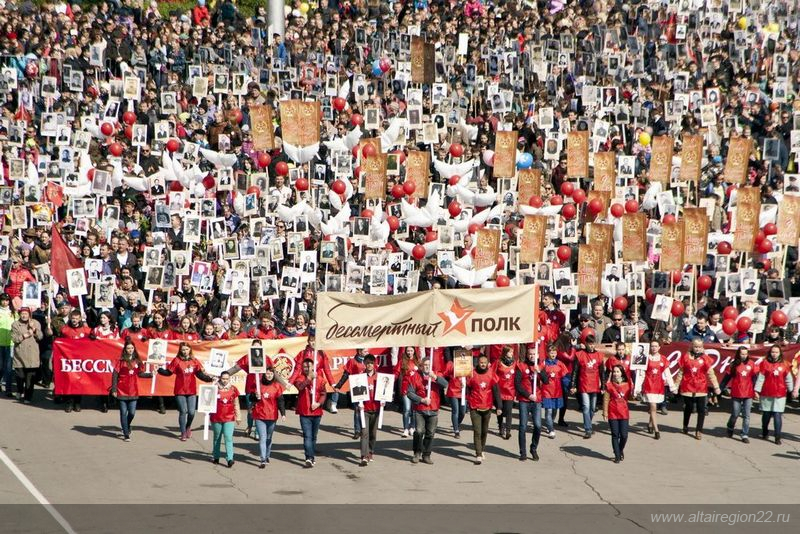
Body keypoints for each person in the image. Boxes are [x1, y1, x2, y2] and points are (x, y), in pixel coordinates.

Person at [157, 342, 214, 441]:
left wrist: (210, 379)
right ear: (180, 350)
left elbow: (200, 374)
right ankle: (183, 432)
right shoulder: (177, 360)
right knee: (183, 411)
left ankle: (188, 427)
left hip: (191, 390)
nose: (185, 351)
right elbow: (168, 373)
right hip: (180, 390)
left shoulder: (194, 361)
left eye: (187, 349)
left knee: (191, 412)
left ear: (190, 350)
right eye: (183, 349)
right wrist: (160, 370)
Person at [403, 356, 448, 465]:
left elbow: (446, 384)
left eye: (429, 365)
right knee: (418, 432)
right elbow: (409, 393)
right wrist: (421, 400)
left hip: (433, 409)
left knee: (430, 433)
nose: (427, 367)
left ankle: (426, 454)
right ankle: (417, 453)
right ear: (421, 366)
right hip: (420, 410)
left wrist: (436, 377)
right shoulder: (415, 377)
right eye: (425, 365)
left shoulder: (435, 375)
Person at [674, 338, 721, 440]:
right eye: (695, 347)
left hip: (701, 388)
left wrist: (716, 386)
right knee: (688, 408)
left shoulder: (705, 358)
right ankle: (685, 425)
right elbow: (681, 372)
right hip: (688, 387)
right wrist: (676, 385)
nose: (697, 349)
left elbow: (711, 374)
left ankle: (698, 430)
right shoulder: (685, 357)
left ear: (702, 347)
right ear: (692, 346)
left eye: (699, 347)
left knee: (701, 410)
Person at [110, 341, 152, 441]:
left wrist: (151, 374)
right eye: (128, 348)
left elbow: (140, 374)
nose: (130, 350)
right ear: (125, 349)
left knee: (132, 413)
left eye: (132, 348)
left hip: (133, 390)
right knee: (123, 412)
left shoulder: (137, 361)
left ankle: (127, 425)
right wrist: (114, 389)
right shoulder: (120, 361)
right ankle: (126, 434)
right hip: (122, 389)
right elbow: (115, 375)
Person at [755, 346, 796, 445]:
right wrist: (757, 390)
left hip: (780, 393)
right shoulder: (765, 363)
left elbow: (788, 378)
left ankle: (777, 436)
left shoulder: (785, 364)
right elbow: (761, 378)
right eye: (773, 352)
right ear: (770, 353)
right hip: (767, 393)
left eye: (776, 352)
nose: (774, 354)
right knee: (766, 415)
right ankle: (765, 431)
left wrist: (791, 390)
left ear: (780, 353)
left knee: (778, 415)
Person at [466, 354, 501, 464]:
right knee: (477, 431)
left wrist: (499, 406)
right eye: (481, 362)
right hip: (474, 406)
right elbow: (468, 389)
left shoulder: (491, 374)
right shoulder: (472, 374)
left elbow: (496, 391)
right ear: (478, 363)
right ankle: (478, 453)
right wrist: (466, 400)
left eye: (484, 363)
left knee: (484, 431)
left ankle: (482, 448)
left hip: (487, 406)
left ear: (487, 364)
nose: (482, 364)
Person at [293, 358, 328, 467]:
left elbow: (324, 394)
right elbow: (300, 387)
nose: (307, 368)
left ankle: (311, 455)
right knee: (307, 436)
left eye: (309, 366)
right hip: (305, 412)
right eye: (305, 367)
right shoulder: (299, 378)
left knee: (314, 436)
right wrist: (308, 379)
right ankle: (308, 457)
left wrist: (318, 403)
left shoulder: (320, 379)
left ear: (313, 367)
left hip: (317, 412)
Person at [719, 346, 757, 444]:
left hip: (748, 393)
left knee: (746, 415)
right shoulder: (733, 365)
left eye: (745, 354)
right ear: (738, 354)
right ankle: (730, 426)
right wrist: (720, 388)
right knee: (735, 413)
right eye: (742, 354)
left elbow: (754, 378)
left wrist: (756, 390)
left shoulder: (751, 364)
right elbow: (726, 378)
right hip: (737, 392)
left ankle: (744, 434)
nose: (744, 356)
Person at [251, 367, 286, 468]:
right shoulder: (258, 385)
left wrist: (283, 413)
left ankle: (267, 455)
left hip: (272, 416)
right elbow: (251, 398)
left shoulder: (276, 386)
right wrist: (255, 396)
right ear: (264, 374)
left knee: (269, 438)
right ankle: (262, 459)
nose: (269, 375)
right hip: (259, 415)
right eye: (267, 373)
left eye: (271, 373)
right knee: (262, 437)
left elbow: (280, 401)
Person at [569, 335, 604, 439]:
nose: (591, 346)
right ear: (586, 344)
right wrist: (573, 385)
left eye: (593, 344)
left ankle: (589, 423)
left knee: (593, 408)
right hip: (583, 384)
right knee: (586, 407)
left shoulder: (599, 355)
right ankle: (588, 429)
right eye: (589, 344)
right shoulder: (579, 354)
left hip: (594, 385)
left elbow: (602, 372)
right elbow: (575, 371)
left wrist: (603, 386)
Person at [641, 340, 675, 440]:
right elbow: (641, 373)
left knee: (653, 408)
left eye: (656, 346)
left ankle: (650, 424)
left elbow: (667, 374)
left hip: (659, 386)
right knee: (653, 406)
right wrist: (638, 387)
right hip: (649, 386)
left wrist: (672, 386)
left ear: (659, 347)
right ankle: (657, 430)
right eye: (652, 346)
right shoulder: (645, 358)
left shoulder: (663, 359)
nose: (654, 348)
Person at [515, 345, 543, 461]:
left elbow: (546, 381)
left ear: (537, 355)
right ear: (527, 354)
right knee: (523, 426)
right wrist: (528, 395)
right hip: (525, 400)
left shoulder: (539, 366)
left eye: (534, 354)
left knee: (537, 425)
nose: (532, 356)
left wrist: (540, 372)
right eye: (530, 354)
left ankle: (533, 448)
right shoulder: (521, 366)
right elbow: (517, 384)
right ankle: (523, 452)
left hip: (536, 400)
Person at [333, 348, 368, 440]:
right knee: (357, 409)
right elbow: (346, 375)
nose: (367, 353)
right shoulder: (352, 361)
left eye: (367, 351)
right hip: (356, 387)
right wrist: (338, 386)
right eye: (365, 351)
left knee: (366, 409)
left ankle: (364, 428)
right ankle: (357, 430)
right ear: (359, 352)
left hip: (368, 387)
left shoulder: (369, 361)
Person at [11, 308, 43, 403]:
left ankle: (28, 396)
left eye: (26, 314)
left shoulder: (36, 323)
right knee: (20, 376)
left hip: (32, 354)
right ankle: (20, 390)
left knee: (30, 378)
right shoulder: (15, 324)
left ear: (29, 314)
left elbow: (40, 337)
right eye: (22, 314)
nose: (24, 315)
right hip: (20, 355)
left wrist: (34, 329)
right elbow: (14, 339)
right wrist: (25, 335)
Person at [210, 371, 241, 468]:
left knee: (228, 437)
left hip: (229, 417)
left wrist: (238, 416)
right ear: (220, 378)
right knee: (217, 437)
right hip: (216, 417)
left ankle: (230, 458)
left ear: (229, 379)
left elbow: (236, 404)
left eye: (227, 379)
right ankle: (216, 456)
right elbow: (207, 400)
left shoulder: (233, 389)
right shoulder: (214, 388)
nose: (225, 380)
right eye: (223, 378)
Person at [602, 364, 631, 464]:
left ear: (622, 373)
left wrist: (636, 391)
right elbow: (606, 399)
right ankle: (617, 455)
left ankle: (619, 449)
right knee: (615, 434)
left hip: (624, 412)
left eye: (618, 371)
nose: (615, 373)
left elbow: (632, 396)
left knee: (624, 435)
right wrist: (605, 412)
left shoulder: (628, 384)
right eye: (614, 372)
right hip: (613, 412)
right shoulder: (609, 385)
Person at [357, 354, 381, 466]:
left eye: (371, 363)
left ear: (374, 364)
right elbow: (356, 393)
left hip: (376, 409)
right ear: (364, 364)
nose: (369, 365)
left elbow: (384, 392)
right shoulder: (360, 377)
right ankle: (364, 456)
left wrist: (384, 400)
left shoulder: (380, 377)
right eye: (367, 363)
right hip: (364, 410)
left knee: (373, 434)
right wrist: (358, 403)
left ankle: (370, 451)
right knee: (364, 433)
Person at [540, 344, 569, 438]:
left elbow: (565, 376)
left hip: (557, 391)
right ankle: (551, 429)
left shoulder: (560, 363)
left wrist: (569, 386)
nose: (553, 354)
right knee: (548, 410)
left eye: (554, 352)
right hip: (546, 391)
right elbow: (540, 376)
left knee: (554, 411)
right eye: (551, 352)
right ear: (547, 353)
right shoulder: (543, 363)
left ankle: (550, 423)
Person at [394, 346, 421, 437]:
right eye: (408, 351)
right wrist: (389, 382)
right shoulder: (402, 361)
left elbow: (422, 373)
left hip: (416, 389)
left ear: (414, 351)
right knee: (407, 409)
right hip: (406, 388)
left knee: (414, 409)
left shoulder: (418, 361)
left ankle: (412, 427)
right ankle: (405, 428)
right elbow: (396, 373)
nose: (409, 352)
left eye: (411, 350)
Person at [492, 347, 516, 440]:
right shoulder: (498, 362)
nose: (512, 353)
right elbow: (492, 373)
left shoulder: (514, 363)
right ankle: (501, 427)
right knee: (500, 410)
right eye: (510, 352)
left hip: (510, 390)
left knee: (509, 411)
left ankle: (508, 431)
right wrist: (495, 384)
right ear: (505, 352)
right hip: (500, 390)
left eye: (512, 352)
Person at [0, 293, 14, 397]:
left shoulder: (13, 313)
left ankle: (8, 389)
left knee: (9, 368)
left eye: (7, 300)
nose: (5, 302)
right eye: (3, 300)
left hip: (10, 343)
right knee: (0, 367)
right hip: (0, 343)